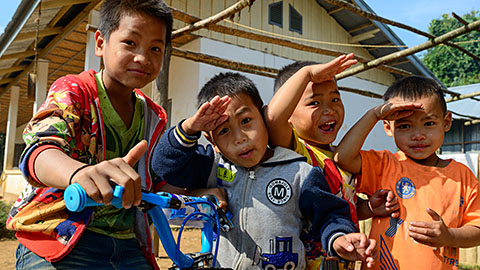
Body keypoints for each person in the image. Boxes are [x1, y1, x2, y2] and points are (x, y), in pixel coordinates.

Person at [6, 1, 186, 269]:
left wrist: (198, 193)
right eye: (130, 43)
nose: (143, 58)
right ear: (100, 44)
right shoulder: (74, 90)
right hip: (61, 236)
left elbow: (152, 183)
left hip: (128, 244)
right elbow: (40, 151)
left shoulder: (153, 116)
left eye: (156, 49)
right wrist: (77, 173)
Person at [152, 72, 377, 269]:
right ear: (211, 139)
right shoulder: (211, 165)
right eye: (224, 131)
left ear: (264, 116)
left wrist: (339, 238)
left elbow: (330, 213)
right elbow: (165, 167)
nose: (239, 138)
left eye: (246, 121)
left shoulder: (299, 172)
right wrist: (189, 128)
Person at [265, 56, 399, 269]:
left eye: (335, 99)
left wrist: (369, 207)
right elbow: (272, 118)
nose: (329, 110)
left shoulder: (341, 157)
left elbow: (345, 205)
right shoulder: (295, 150)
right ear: (289, 114)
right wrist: (306, 74)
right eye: (315, 103)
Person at [333, 75, 480, 269]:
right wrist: (373, 115)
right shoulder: (384, 164)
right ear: (388, 127)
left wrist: (449, 236)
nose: (418, 135)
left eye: (428, 123)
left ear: (446, 122)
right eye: (404, 126)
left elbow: (477, 229)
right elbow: (342, 157)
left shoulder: (462, 176)